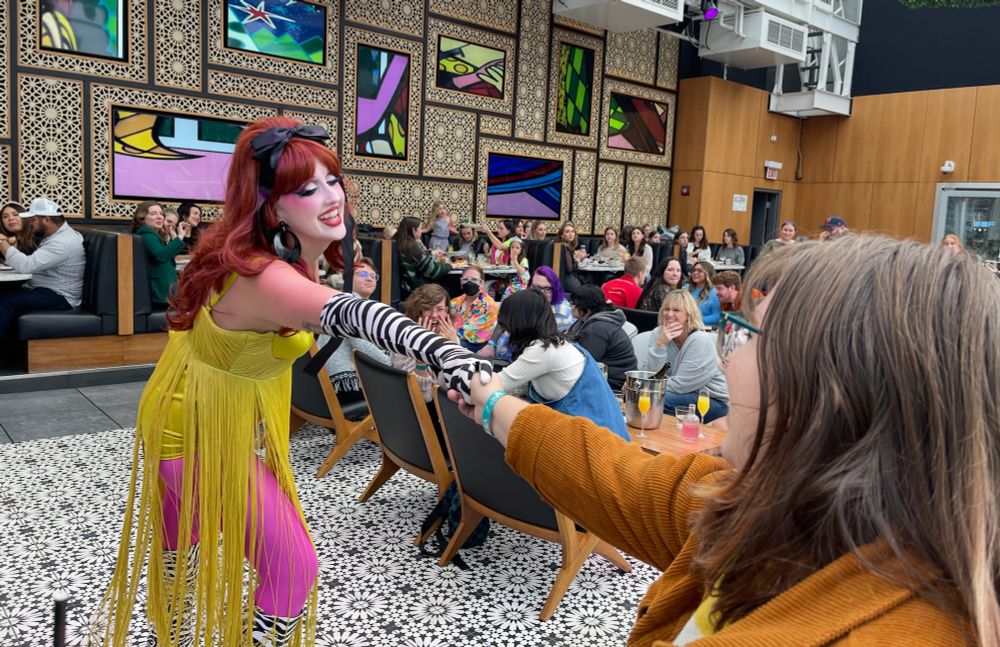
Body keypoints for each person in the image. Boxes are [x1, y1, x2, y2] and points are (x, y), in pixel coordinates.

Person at [450, 235, 997, 646]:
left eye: (754, 337)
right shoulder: (773, 506)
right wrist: (495, 405)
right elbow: (617, 476)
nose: (731, 358)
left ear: (834, 393)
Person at [94, 117, 489, 647]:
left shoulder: (273, 262)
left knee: (182, 553)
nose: (331, 197)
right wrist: (445, 353)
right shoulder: (266, 275)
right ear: (272, 207)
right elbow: (357, 315)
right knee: (290, 567)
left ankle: (176, 636)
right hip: (194, 434)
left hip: (191, 418)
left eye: (333, 181)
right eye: (306, 188)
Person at [497, 289, 628, 440]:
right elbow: (519, 386)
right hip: (608, 436)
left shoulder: (542, 351)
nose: (505, 330)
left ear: (518, 321)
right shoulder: (559, 344)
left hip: (594, 444)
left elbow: (498, 384)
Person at [632, 289, 728, 421]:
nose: (669, 314)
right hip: (675, 393)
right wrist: (660, 345)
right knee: (639, 396)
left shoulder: (699, 340)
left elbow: (681, 386)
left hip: (712, 400)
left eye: (676, 310)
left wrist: (643, 386)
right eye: (666, 309)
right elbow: (650, 373)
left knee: (653, 398)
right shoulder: (659, 334)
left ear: (689, 315)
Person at [0, 198, 85, 336]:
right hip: (44, 289)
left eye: (33, 220)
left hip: (60, 296)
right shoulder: (55, 236)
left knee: (4, 301)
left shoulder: (61, 242)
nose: (30, 224)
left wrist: (2, 243)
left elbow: (25, 266)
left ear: (46, 220)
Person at [317, 257, 389, 402]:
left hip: (336, 381)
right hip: (345, 385)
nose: (369, 279)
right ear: (349, 278)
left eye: (373, 276)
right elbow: (364, 349)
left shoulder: (361, 305)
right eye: (362, 274)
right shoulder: (350, 305)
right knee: (406, 389)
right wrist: (392, 364)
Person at [391, 283, 459, 402]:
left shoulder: (451, 337)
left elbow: (449, 389)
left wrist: (454, 349)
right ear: (418, 312)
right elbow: (424, 398)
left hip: (447, 408)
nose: (434, 315)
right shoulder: (403, 342)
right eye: (427, 309)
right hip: (417, 410)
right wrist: (422, 350)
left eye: (440, 309)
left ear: (446, 311)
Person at [567, 285, 637, 389]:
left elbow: (584, 362)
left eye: (574, 304)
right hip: (606, 378)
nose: (571, 306)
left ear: (586, 308)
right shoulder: (588, 322)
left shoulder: (597, 329)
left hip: (615, 384)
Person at [131, 200, 190, 306]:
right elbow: (161, 256)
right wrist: (180, 237)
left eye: (161, 214)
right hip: (160, 292)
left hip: (167, 290)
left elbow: (167, 256)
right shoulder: (146, 233)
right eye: (153, 214)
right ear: (142, 217)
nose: (159, 217)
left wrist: (176, 237)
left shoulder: (154, 234)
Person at [394, 216, 451, 297]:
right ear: (413, 230)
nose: (421, 231)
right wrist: (450, 266)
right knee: (448, 288)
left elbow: (417, 257)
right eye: (420, 228)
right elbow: (433, 271)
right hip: (414, 289)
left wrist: (431, 253)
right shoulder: (412, 245)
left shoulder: (400, 242)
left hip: (403, 286)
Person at [451, 266, 498, 352]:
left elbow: (469, 332)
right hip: (458, 339)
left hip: (476, 345)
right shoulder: (456, 301)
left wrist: (448, 332)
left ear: (481, 283)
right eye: (465, 279)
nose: (469, 282)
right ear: (461, 283)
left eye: (474, 279)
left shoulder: (488, 305)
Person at [529, 266, 574, 332]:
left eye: (547, 289)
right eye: (536, 288)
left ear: (555, 289)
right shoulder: (531, 301)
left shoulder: (561, 313)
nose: (540, 293)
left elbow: (547, 339)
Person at [688, 261, 721, 327]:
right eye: (694, 270)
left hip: (705, 329)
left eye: (699, 271)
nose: (695, 273)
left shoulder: (714, 293)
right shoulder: (688, 289)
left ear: (707, 273)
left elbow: (717, 317)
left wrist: (693, 320)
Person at [557, 221, 586, 290]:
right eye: (567, 232)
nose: (571, 234)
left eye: (572, 231)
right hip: (567, 280)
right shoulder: (564, 247)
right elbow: (570, 269)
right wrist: (578, 259)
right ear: (562, 235)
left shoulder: (566, 246)